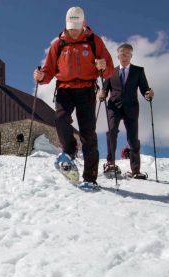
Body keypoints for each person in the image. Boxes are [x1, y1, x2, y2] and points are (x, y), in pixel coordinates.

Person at [33, 6, 114, 190]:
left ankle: (90, 178)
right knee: (60, 119)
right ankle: (68, 153)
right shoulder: (59, 44)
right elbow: (48, 71)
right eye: (71, 27)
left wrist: (103, 66)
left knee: (88, 133)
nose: (74, 31)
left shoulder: (95, 42)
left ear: (83, 23)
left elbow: (109, 69)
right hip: (64, 89)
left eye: (76, 26)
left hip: (86, 90)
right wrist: (40, 77)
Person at [99, 43, 154, 179]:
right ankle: (110, 163)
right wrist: (102, 94)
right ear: (118, 55)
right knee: (112, 132)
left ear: (131, 56)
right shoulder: (111, 72)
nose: (125, 56)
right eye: (122, 54)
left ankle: (135, 171)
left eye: (128, 54)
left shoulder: (138, 71)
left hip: (131, 108)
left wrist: (148, 94)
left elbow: (144, 89)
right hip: (114, 107)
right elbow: (105, 89)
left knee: (133, 139)